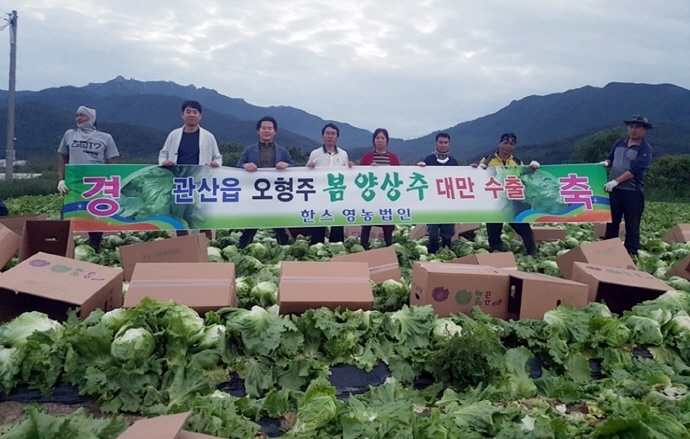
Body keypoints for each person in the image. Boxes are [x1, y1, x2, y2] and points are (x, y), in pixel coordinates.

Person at [57, 105, 119, 252]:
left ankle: (95, 248)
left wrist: (113, 185)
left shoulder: (106, 138)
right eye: (77, 115)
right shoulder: (69, 135)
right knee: (67, 216)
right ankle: (63, 248)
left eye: (82, 115)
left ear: (91, 118)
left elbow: (111, 163)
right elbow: (63, 158)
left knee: (95, 218)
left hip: (95, 184)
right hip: (74, 183)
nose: (78, 118)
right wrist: (61, 179)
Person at [158, 100, 222, 239]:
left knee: (201, 213)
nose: (191, 115)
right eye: (188, 112)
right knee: (179, 213)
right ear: (182, 115)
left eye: (195, 112)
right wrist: (164, 162)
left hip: (200, 181)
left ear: (200, 116)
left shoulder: (208, 136)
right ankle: (184, 243)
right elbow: (163, 154)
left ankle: (207, 243)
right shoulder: (174, 135)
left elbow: (217, 157)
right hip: (179, 181)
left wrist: (215, 163)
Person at [474, 133, 540, 257]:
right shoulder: (488, 160)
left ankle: (533, 255)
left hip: (514, 202)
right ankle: (498, 257)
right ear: (500, 143)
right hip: (494, 202)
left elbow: (525, 177)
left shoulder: (517, 162)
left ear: (514, 146)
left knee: (525, 230)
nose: (508, 146)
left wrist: (532, 168)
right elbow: (478, 175)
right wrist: (476, 168)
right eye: (505, 143)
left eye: (511, 144)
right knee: (494, 233)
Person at [236, 116, 293, 249]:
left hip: (276, 192)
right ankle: (243, 247)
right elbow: (238, 165)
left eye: (270, 128)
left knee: (278, 223)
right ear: (258, 131)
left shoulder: (282, 151)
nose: (267, 131)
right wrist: (245, 165)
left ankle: (284, 248)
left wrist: (287, 165)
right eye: (264, 128)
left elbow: (293, 166)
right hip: (255, 193)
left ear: (275, 132)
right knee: (252, 223)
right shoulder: (249, 150)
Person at [601, 115, 653, 256]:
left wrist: (616, 181)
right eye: (631, 127)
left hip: (632, 192)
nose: (633, 130)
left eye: (637, 127)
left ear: (645, 130)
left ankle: (631, 253)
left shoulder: (645, 149)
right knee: (612, 223)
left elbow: (636, 170)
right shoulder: (619, 143)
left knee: (632, 224)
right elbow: (611, 159)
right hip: (614, 191)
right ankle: (608, 250)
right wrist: (605, 163)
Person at [306, 123, 354, 245]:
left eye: (333, 134)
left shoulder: (343, 154)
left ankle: (336, 248)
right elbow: (306, 173)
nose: (330, 136)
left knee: (337, 223)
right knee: (318, 223)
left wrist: (351, 167)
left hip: (337, 194)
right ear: (322, 136)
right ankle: (316, 247)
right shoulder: (315, 153)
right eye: (327, 133)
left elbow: (347, 174)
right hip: (319, 195)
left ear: (337, 137)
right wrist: (309, 167)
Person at [357, 128, 400, 249]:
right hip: (370, 196)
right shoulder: (367, 157)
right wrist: (369, 170)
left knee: (387, 223)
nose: (380, 140)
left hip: (387, 197)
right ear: (373, 140)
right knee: (367, 222)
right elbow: (358, 175)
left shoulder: (393, 158)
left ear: (387, 141)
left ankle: (388, 249)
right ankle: (364, 248)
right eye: (377, 138)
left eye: (382, 138)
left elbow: (399, 176)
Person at [417, 132, 460, 253]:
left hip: (448, 202)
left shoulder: (453, 162)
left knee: (448, 231)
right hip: (433, 202)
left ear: (449, 144)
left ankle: (447, 252)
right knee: (433, 231)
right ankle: (433, 253)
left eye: (445, 142)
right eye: (440, 142)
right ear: (436, 143)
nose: (443, 145)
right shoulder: (428, 160)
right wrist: (419, 168)